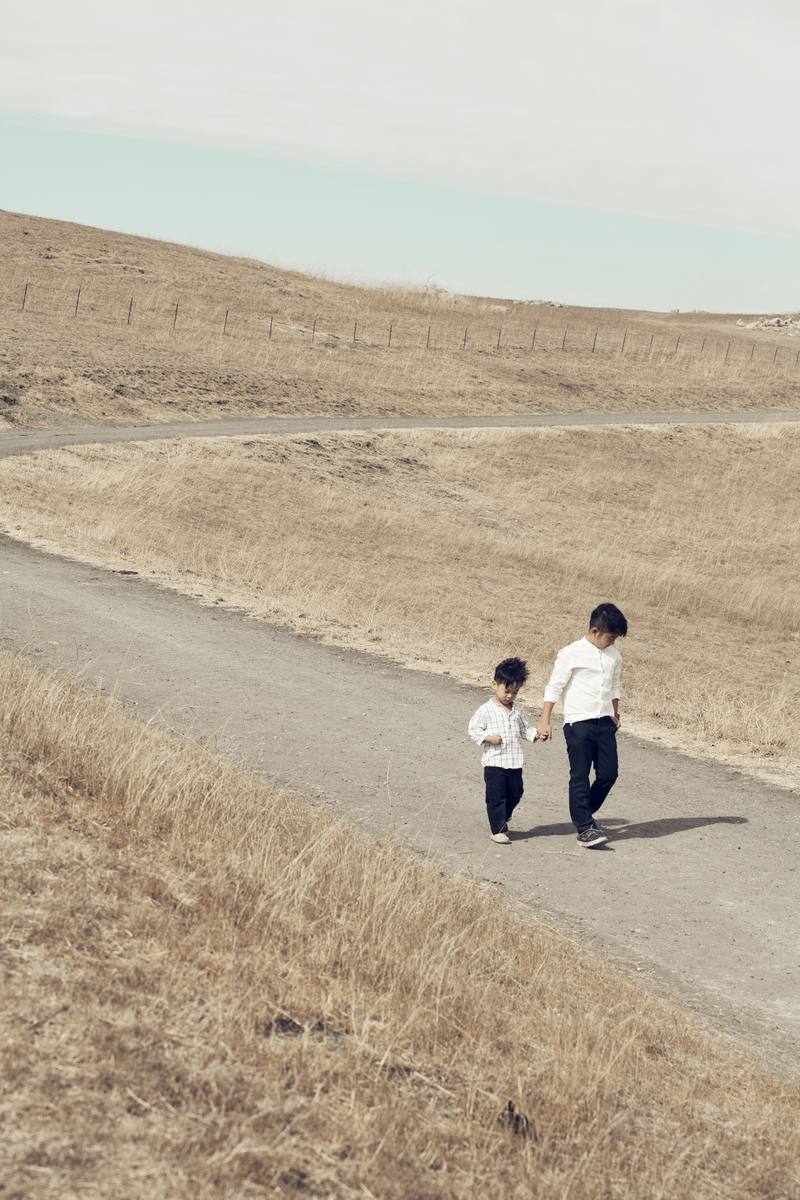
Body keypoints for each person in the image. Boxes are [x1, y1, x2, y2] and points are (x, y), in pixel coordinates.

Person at [536, 603, 628, 848]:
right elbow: (554, 687)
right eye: (610, 638)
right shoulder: (571, 653)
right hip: (578, 723)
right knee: (580, 775)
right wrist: (545, 721)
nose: (613, 642)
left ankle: (583, 812)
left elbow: (614, 685)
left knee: (609, 774)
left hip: (605, 723)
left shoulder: (614, 656)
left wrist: (615, 714)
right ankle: (585, 828)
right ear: (595, 631)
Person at [468, 657, 539, 845]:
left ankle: (502, 816)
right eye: (506, 691)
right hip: (494, 763)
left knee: (516, 792)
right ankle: (498, 829)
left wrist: (537, 734)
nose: (510, 696)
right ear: (495, 685)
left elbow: (525, 730)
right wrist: (488, 738)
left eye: (515, 692)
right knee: (496, 797)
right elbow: (473, 729)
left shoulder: (518, 710)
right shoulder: (486, 709)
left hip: (514, 762)